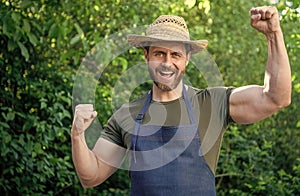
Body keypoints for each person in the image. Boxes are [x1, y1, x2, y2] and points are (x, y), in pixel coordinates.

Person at [71, 6, 291, 195]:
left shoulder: (212, 103)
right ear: (146, 56)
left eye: (175, 55)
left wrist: (273, 36)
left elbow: (275, 98)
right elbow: (91, 176)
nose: (167, 63)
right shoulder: (127, 115)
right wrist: (78, 135)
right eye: (159, 54)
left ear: (187, 58)